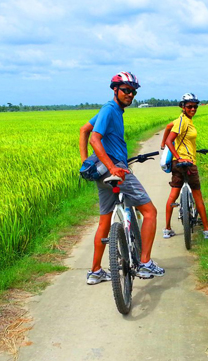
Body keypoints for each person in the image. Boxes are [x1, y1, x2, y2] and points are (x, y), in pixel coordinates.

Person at [79, 71, 165, 285]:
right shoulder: (109, 109)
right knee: (150, 212)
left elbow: (84, 130)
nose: (130, 95)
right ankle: (145, 263)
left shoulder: (112, 110)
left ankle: (95, 271)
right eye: (126, 90)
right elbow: (94, 140)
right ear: (115, 90)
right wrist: (113, 167)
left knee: (104, 221)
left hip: (101, 173)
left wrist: (86, 162)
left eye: (133, 92)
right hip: (115, 169)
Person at [160, 93, 208, 240]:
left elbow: (167, 127)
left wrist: (162, 143)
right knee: (198, 197)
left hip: (177, 165)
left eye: (195, 106)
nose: (193, 109)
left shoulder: (181, 121)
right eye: (189, 106)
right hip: (187, 163)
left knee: (173, 195)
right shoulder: (182, 122)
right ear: (183, 107)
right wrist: (178, 156)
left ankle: (167, 229)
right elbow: (170, 141)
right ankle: (206, 230)